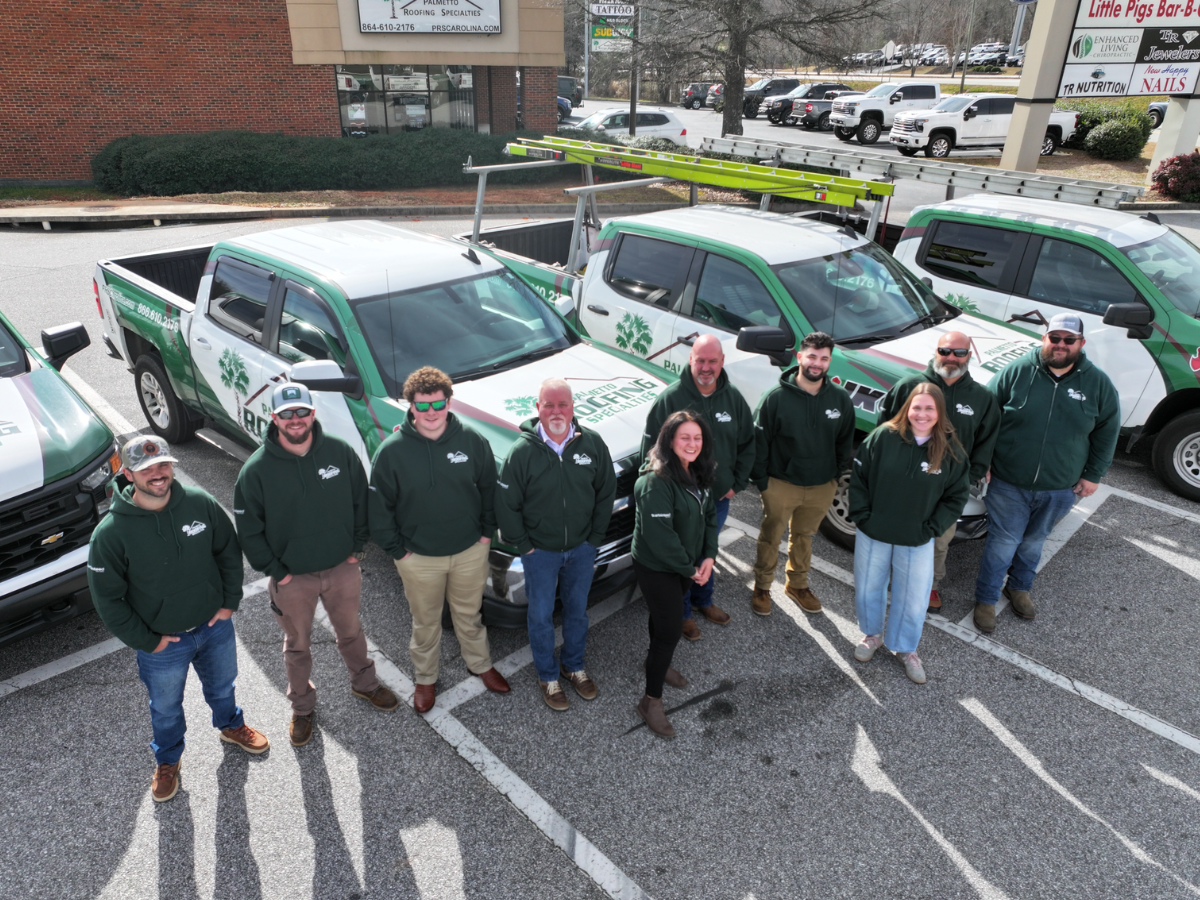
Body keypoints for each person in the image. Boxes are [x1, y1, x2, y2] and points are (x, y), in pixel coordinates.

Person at [87, 436, 268, 803]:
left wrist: (229, 602)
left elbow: (227, 552)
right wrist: (147, 641)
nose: (158, 473)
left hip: (214, 627)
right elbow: (108, 599)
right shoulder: (111, 534)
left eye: (163, 465)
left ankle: (231, 725)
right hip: (163, 642)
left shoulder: (200, 504)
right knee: (166, 708)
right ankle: (168, 760)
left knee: (223, 687)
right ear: (127, 474)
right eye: (146, 468)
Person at [234, 383, 398, 748]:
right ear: (274, 418)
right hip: (293, 579)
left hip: (342, 568)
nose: (295, 420)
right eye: (287, 414)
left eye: (301, 412)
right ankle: (303, 708)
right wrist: (276, 570)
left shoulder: (339, 452)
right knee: (297, 645)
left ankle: (365, 684)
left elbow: (361, 501)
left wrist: (356, 548)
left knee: (351, 631)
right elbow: (249, 530)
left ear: (312, 413)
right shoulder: (256, 470)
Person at [369, 366, 510, 714]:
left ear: (448, 402)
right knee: (426, 622)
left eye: (438, 404)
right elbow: (379, 509)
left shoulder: (472, 440)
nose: (431, 412)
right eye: (423, 405)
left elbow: (490, 490)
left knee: (469, 614)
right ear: (411, 406)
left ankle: (480, 664)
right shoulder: (392, 452)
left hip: (469, 550)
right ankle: (426, 678)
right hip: (418, 557)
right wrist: (398, 552)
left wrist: (485, 535)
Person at [972, 314, 1120, 633]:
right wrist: (982, 460)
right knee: (1004, 541)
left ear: (1081, 343)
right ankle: (986, 599)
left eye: (1069, 340)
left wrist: (1093, 474)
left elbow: (1107, 432)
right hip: (1008, 481)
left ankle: (1019, 587)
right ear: (1044, 338)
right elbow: (986, 416)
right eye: (1055, 338)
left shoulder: (1098, 383)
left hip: (1060, 486)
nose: (1061, 345)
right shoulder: (1016, 371)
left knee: (1034, 541)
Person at [496, 378, 617, 711]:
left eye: (563, 404)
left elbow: (606, 491)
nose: (556, 411)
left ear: (573, 407)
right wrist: (525, 545)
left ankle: (573, 666)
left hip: (581, 549)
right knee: (540, 616)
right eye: (548, 405)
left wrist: (594, 538)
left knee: (577, 612)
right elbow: (506, 504)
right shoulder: (522, 452)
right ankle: (548, 676)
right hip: (540, 553)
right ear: (537, 408)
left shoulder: (592, 444)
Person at [848, 383, 970, 684]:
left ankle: (905, 648)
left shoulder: (951, 450)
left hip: (917, 537)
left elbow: (956, 497)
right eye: (917, 407)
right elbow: (859, 478)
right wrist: (863, 517)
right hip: (874, 531)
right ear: (907, 408)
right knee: (868, 587)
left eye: (929, 408)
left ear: (940, 412)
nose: (922, 414)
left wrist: (931, 528)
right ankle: (872, 635)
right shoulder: (883, 437)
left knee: (913, 597)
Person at [640, 334, 754, 640]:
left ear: (722, 362)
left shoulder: (733, 399)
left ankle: (704, 600)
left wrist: (736, 484)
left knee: (708, 548)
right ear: (690, 359)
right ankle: (683, 613)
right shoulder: (671, 399)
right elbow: (650, 448)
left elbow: (747, 443)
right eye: (700, 360)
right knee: (683, 554)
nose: (706, 367)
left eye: (712, 361)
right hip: (679, 500)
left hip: (716, 497)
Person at [878, 331, 1000, 613]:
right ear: (936, 352)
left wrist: (964, 481)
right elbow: (884, 430)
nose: (951, 358)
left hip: (948, 489)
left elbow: (986, 444)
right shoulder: (909, 386)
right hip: (905, 482)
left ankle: (930, 585)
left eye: (959, 352)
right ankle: (890, 577)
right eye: (945, 351)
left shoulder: (982, 398)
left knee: (939, 541)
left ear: (969, 356)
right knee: (895, 532)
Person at [750, 332, 854, 616]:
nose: (817, 363)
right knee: (771, 537)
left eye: (824, 358)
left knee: (804, 536)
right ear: (799, 357)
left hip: (821, 485)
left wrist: (833, 477)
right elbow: (760, 442)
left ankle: (797, 585)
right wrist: (763, 483)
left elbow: (844, 441)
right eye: (811, 356)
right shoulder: (775, 397)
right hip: (780, 483)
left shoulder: (840, 399)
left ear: (829, 361)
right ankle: (762, 586)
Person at [631, 410, 718, 739]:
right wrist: (690, 569)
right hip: (657, 566)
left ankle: (655, 661)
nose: (692, 444)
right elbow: (661, 539)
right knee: (669, 630)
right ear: (669, 440)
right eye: (685, 437)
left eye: (697, 437)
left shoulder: (696, 470)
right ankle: (650, 701)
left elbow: (709, 515)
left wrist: (709, 555)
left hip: (686, 564)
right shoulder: (655, 482)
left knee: (663, 620)